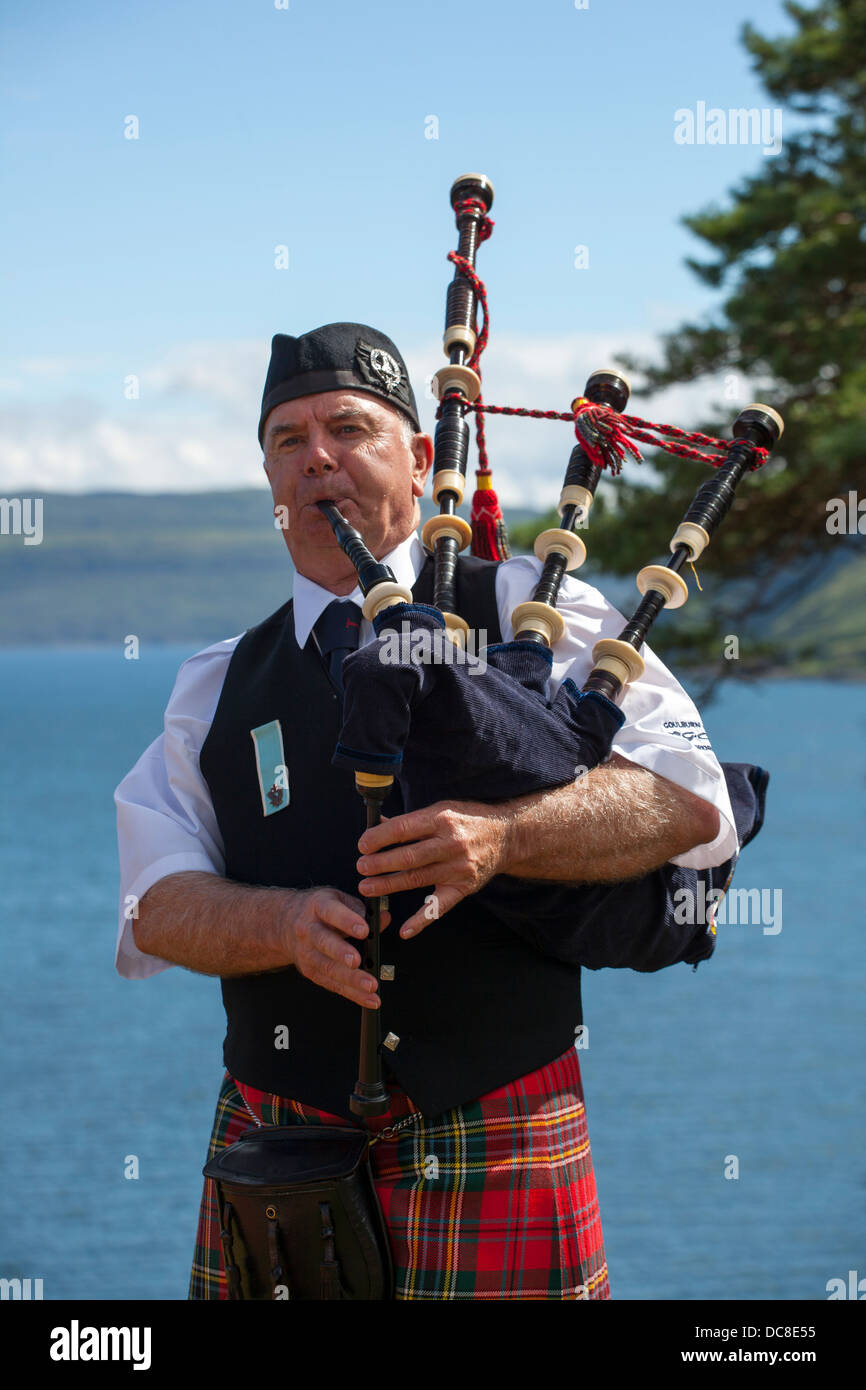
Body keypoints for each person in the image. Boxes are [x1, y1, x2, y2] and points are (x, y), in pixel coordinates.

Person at [115, 322, 739, 1301]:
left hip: (497, 1133)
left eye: (348, 427)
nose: (316, 455)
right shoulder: (218, 684)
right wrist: (276, 923)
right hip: (281, 1139)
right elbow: (153, 902)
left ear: (415, 457)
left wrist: (505, 838)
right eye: (287, 439)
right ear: (272, 484)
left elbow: (690, 802)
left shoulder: (539, 611)